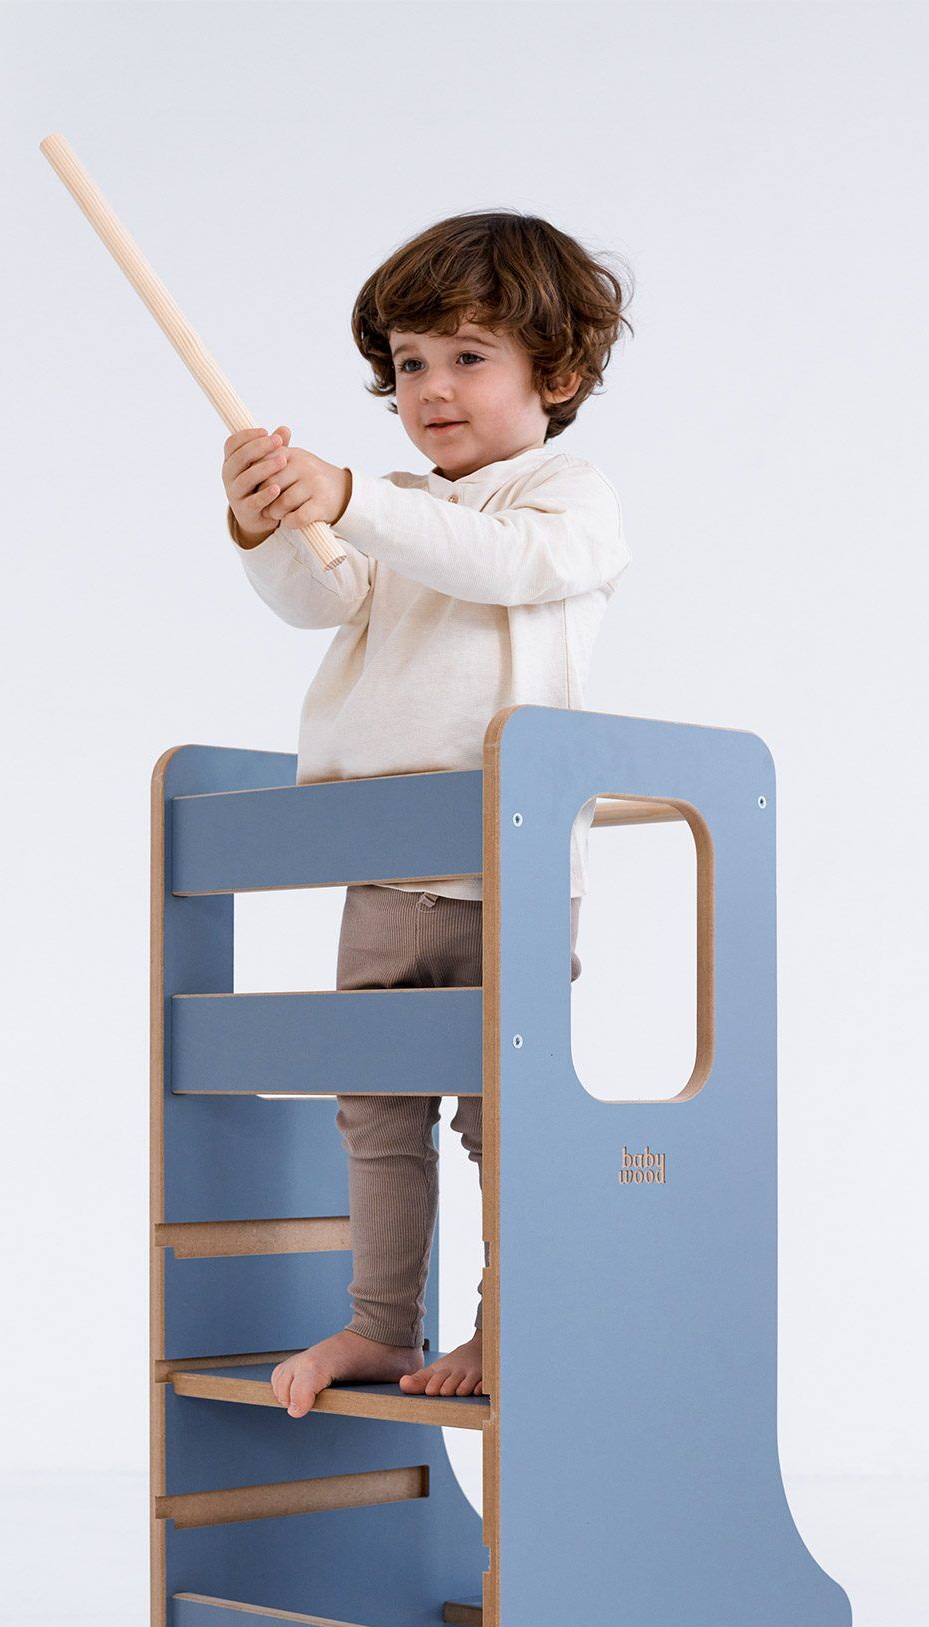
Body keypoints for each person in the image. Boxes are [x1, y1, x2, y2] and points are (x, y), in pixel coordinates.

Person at [221, 210, 632, 1416]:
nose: (431, 388)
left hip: (501, 869)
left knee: (503, 1116)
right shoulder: (391, 510)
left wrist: (351, 495)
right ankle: (377, 1321)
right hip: (381, 865)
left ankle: (509, 1320)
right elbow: (316, 591)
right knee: (375, 1111)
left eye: (467, 356)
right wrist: (267, 515)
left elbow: (492, 562)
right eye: (408, 363)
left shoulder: (565, 499)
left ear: (556, 375)